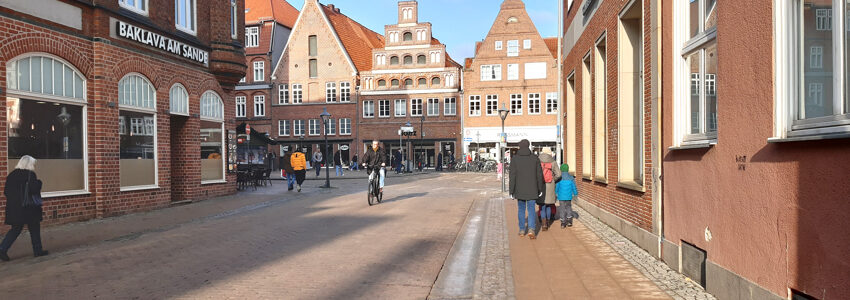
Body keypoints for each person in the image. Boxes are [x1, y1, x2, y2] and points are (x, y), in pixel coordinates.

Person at [0, 155, 48, 261]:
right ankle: (37, 250)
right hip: (29, 208)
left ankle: (2, 249)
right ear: (29, 164)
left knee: (15, 229)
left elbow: (6, 192)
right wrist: (39, 182)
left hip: (15, 209)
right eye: (33, 164)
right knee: (34, 228)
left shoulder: (11, 175)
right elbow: (34, 189)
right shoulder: (30, 174)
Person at [509, 139, 544, 240]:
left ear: (520, 146)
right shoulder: (535, 158)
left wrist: (511, 191)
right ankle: (531, 229)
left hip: (519, 190)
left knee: (521, 209)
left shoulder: (515, 159)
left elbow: (512, 176)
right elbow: (539, 175)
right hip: (532, 189)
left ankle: (521, 230)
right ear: (528, 146)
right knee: (531, 209)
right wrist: (539, 188)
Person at [537, 147, 561, 231]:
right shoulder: (553, 162)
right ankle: (547, 222)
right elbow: (558, 174)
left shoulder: (537, 161)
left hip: (540, 186)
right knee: (549, 205)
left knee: (542, 205)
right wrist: (553, 180)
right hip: (550, 185)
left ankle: (543, 224)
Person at [555, 164, 578, 228]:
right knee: (568, 207)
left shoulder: (559, 178)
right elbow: (574, 187)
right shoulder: (571, 178)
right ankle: (569, 220)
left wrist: (555, 193)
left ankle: (563, 222)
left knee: (562, 208)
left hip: (561, 197)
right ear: (567, 169)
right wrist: (575, 193)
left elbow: (557, 187)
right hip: (568, 196)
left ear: (561, 169)